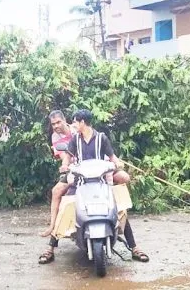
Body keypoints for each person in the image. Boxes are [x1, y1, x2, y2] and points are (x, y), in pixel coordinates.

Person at [40, 110, 149, 264]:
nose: (74, 125)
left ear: (83, 122)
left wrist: (117, 163)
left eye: (76, 122)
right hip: (81, 180)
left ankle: (134, 247)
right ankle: (50, 247)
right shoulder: (74, 140)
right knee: (66, 206)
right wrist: (65, 166)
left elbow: (112, 157)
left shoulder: (102, 138)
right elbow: (67, 158)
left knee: (118, 208)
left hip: (102, 180)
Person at [40, 111, 75, 238]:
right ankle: (53, 226)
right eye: (53, 124)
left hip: (88, 167)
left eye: (58, 122)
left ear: (65, 120)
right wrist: (65, 165)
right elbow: (63, 156)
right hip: (73, 169)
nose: (56, 126)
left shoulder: (76, 130)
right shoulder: (55, 137)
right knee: (56, 191)